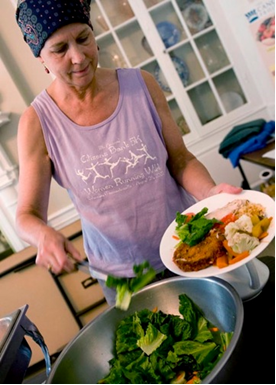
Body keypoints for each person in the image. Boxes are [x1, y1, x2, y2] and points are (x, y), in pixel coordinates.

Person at [15, 0, 242, 306]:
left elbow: (181, 159)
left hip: (187, 244)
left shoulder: (141, 84)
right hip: (122, 277)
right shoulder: (37, 122)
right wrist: (43, 236)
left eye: (84, 39)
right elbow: (26, 215)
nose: (78, 57)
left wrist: (212, 192)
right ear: (41, 58)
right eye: (60, 49)